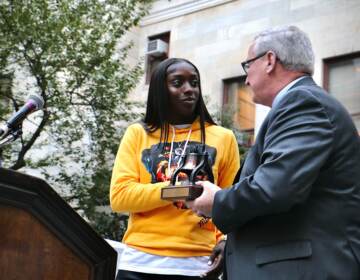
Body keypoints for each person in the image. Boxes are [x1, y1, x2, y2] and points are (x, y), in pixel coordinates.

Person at [187, 25, 360, 279]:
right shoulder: (300, 104)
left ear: (270, 60)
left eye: (248, 66)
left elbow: (275, 188)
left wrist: (217, 201)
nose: (245, 79)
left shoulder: (304, 103)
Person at [110, 57, 240, 280]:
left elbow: (232, 201)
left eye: (194, 83)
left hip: (198, 264)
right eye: (178, 83)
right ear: (161, 90)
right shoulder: (138, 133)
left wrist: (226, 241)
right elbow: (120, 197)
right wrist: (178, 191)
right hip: (140, 263)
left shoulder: (223, 138)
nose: (189, 89)